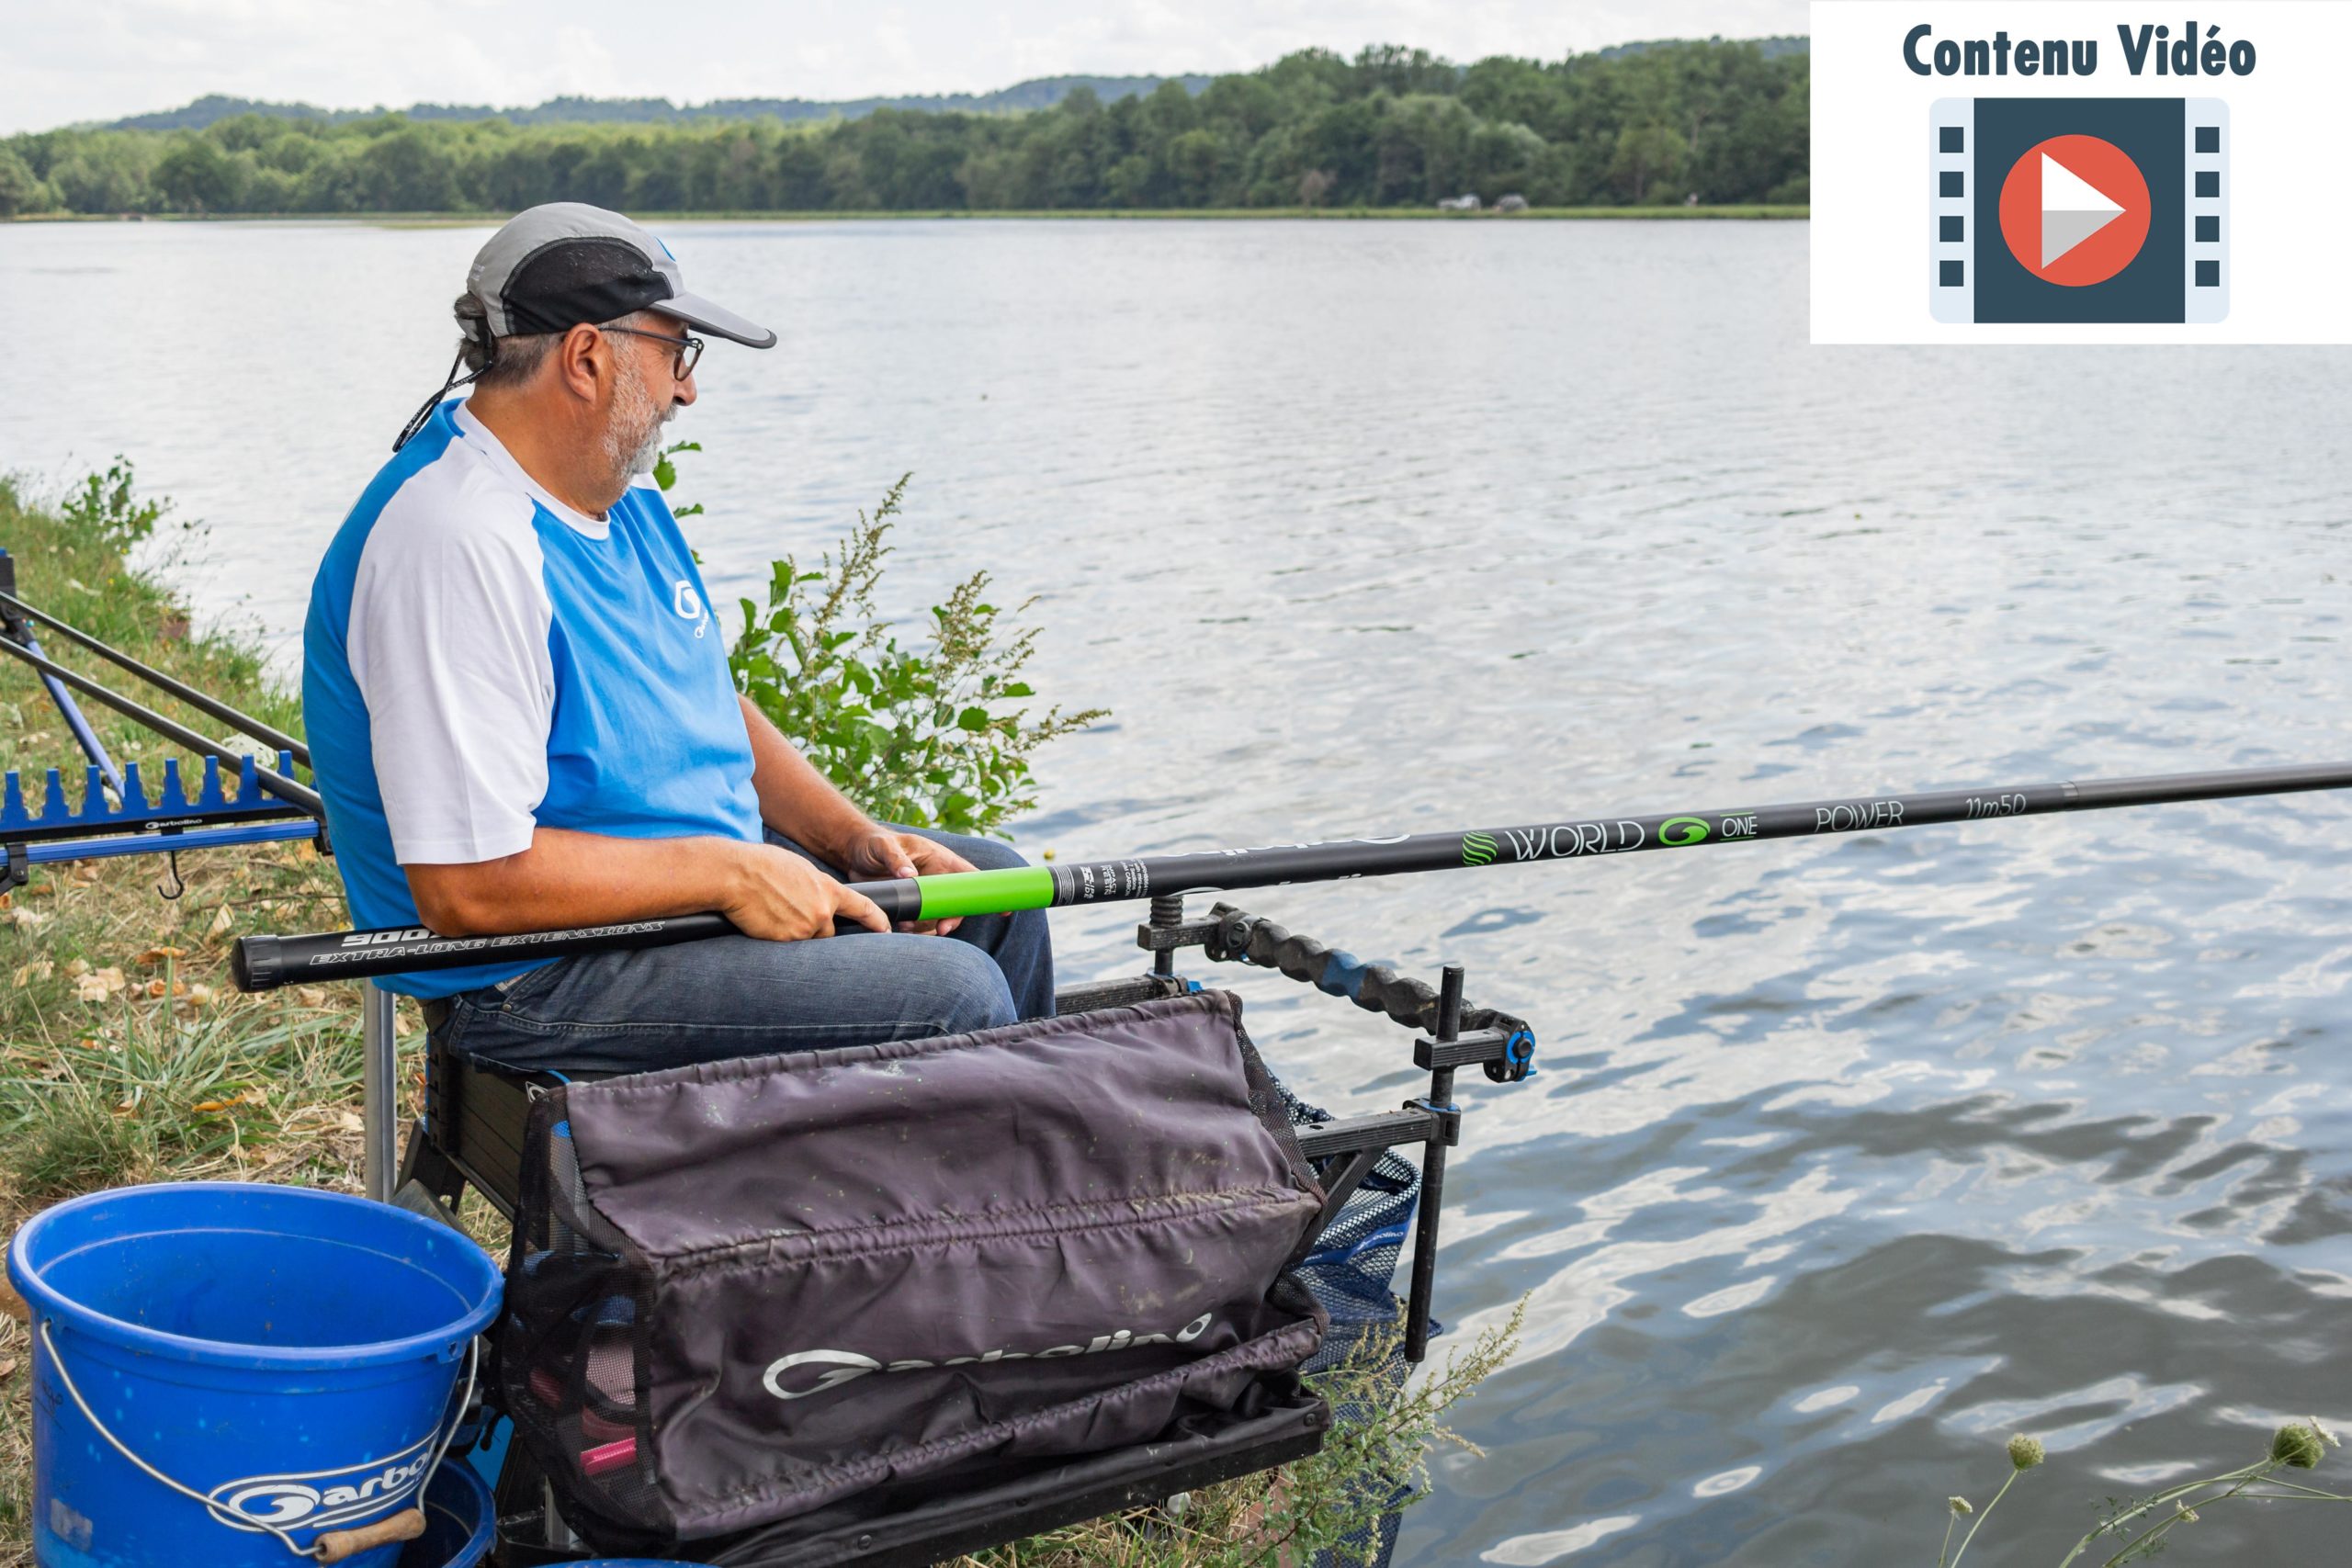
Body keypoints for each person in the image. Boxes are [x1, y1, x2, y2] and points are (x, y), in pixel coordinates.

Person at [302, 202, 1052, 1075]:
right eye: (674, 353)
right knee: (952, 992)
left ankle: (1014, 1183)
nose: (687, 388)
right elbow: (468, 888)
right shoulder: (457, 537)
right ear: (586, 358)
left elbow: (702, 702)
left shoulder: (623, 503)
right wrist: (731, 872)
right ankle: (947, 1199)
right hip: (531, 978)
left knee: (997, 888)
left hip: (672, 899)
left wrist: (850, 838)